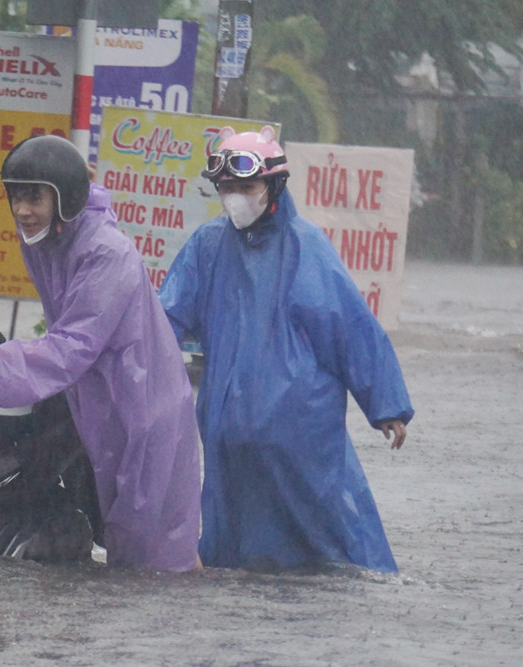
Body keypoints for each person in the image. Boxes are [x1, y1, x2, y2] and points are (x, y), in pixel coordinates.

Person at [158, 125, 414, 573]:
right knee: (229, 549)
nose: (236, 197)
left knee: (333, 540)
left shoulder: (306, 246)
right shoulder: (207, 246)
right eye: (227, 188)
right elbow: (162, 321)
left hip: (299, 434)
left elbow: (351, 328)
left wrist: (386, 404)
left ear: (273, 185)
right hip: (227, 434)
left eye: (246, 187)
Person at [0, 134, 201, 572]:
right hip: (101, 402)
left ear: (65, 199)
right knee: (126, 543)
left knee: (154, 557)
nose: (22, 210)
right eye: (16, 196)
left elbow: (74, 343)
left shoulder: (107, 252)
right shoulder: (47, 239)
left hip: (144, 405)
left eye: (34, 197)